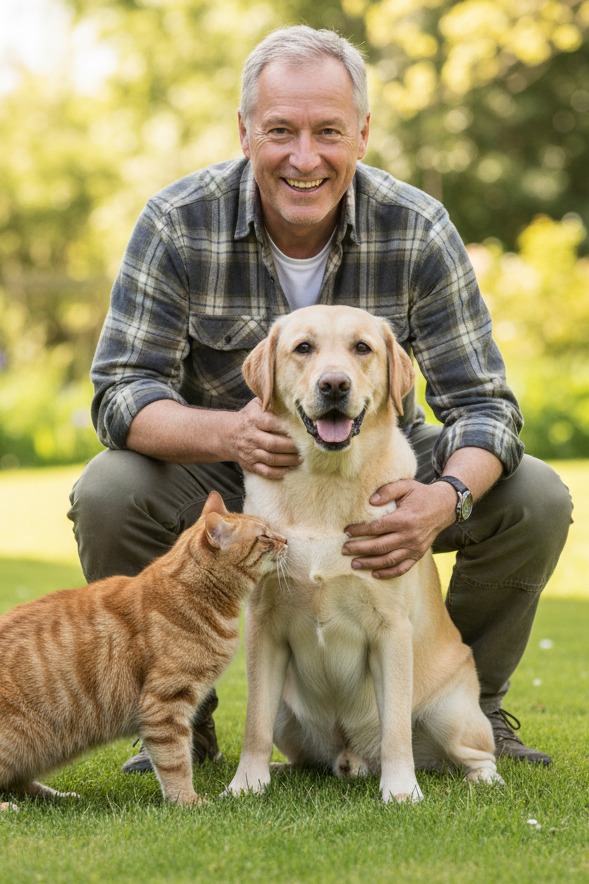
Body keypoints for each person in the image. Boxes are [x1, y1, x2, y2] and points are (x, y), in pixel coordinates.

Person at [68, 25, 572, 774]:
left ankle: (470, 705)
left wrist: (444, 496)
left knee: (533, 494)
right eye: (280, 131)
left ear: (361, 135)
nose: (304, 158)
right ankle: (184, 720)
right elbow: (119, 393)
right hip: (237, 468)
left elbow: (485, 405)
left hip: (381, 467)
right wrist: (229, 435)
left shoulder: (417, 227)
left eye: (327, 131)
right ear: (245, 132)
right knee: (109, 489)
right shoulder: (177, 221)